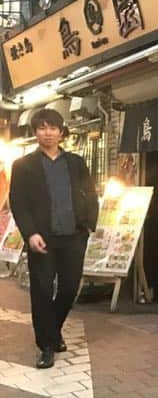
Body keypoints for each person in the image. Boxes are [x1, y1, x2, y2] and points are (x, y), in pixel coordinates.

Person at [10, 108, 99, 369]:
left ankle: (53, 330)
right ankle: (47, 346)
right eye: (42, 128)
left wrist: (88, 226)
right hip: (42, 240)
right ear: (35, 132)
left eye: (52, 128)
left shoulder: (76, 162)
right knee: (42, 291)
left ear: (61, 132)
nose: (47, 133)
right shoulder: (23, 166)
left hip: (74, 236)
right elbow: (19, 203)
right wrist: (31, 233)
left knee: (70, 287)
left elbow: (89, 193)